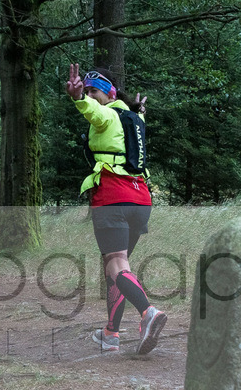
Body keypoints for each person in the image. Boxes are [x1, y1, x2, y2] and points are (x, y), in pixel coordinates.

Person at [65, 63, 166, 355]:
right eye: (87, 91)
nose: (90, 95)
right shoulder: (134, 117)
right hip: (141, 200)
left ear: (108, 93)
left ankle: (148, 313)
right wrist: (140, 110)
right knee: (117, 269)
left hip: (112, 197)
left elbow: (94, 112)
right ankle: (111, 334)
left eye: (94, 90)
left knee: (116, 263)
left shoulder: (106, 114)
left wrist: (77, 98)